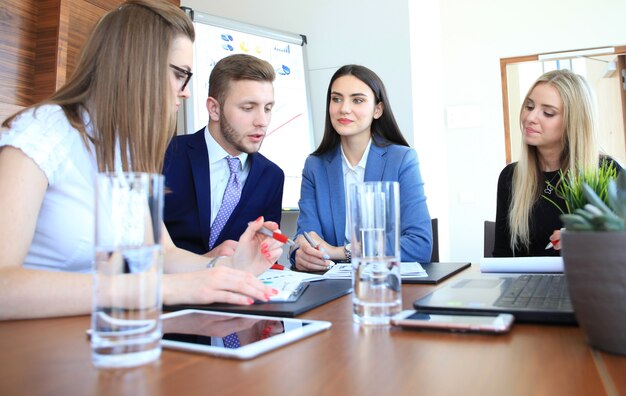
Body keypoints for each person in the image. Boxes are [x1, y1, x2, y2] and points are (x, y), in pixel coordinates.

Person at [0, 0, 283, 321]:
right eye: (180, 74)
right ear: (135, 65)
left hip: (111, 344)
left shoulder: (131, 152)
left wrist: (227, 267)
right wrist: (161, 289)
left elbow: (163, 254)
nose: (185, 92)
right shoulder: (41, 131)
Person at [292, 64, 432, 271]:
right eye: (336, 99)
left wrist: (342, 252)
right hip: (330, 286)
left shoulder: (402, 159)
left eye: (357, 100)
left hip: (385, 285)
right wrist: (300, 253)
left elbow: (419, 245)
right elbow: (306, 236)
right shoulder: (315, 165)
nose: (344, 108)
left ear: (377, 110)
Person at [163, 54, 284, 257]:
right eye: (248, 108)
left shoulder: (272, 177)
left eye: (268, 108)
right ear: (214, 109)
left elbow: (261, 254)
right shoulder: (166, 155)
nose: (262, 121)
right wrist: (206, 262)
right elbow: (135, 252)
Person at [493, 69, 618, 257]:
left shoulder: (608, 173)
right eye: (529, 106)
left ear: (573, 122)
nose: (530, 118)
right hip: (527, 285)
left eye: (548, 113)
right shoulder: (510, 176)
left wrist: (588, 242)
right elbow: (502, 255)